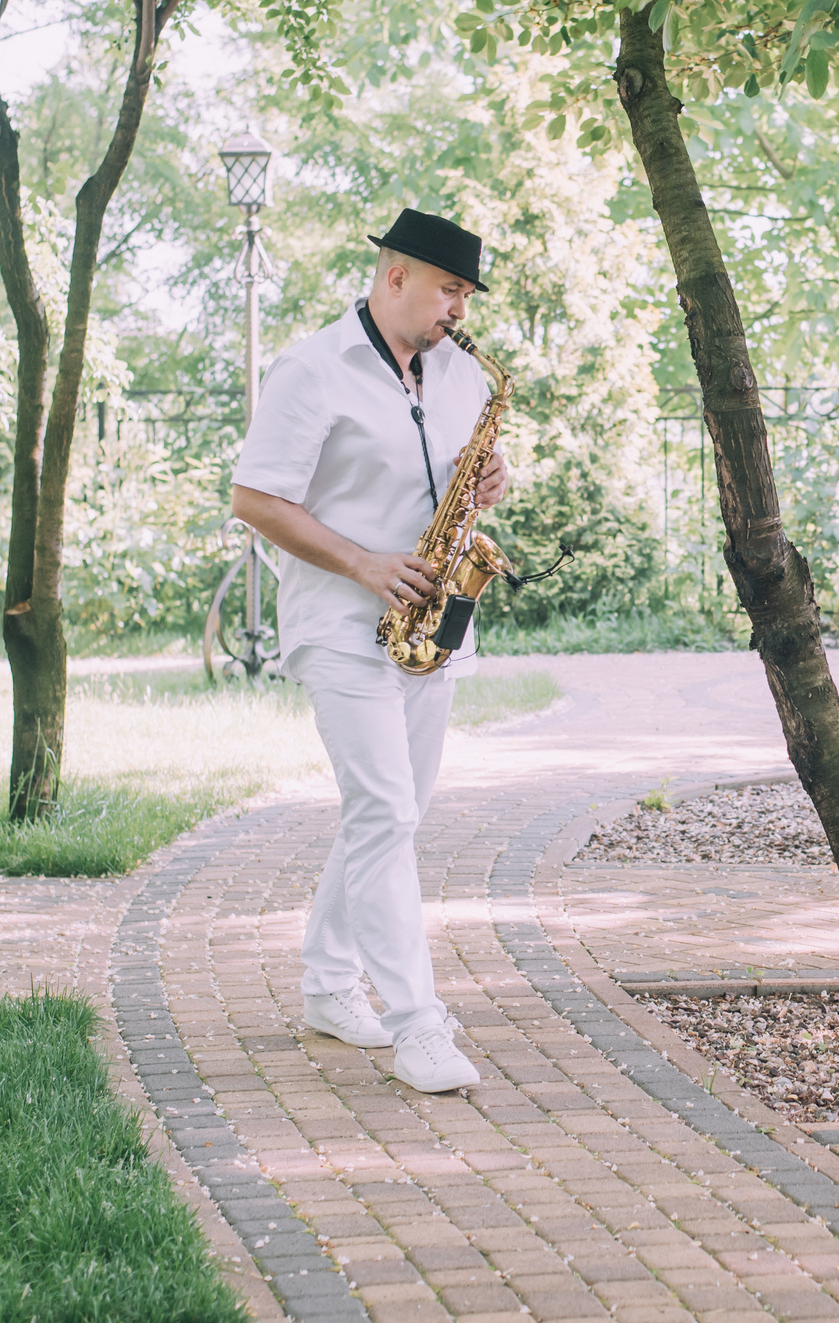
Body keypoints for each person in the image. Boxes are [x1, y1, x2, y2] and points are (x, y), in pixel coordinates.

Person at [230, 207, 509, 1094]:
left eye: (464, 294)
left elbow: (461, 486)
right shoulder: (312, 370)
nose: (457, 310)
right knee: (386, 808)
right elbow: (255, 497)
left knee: (388, 814)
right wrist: (361, 563)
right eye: (448, 289)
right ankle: (415, 1021)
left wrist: (492, 485)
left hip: (430, 626)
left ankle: (325, 985)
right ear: (395, 277)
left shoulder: (460, 375)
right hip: (341, 622)